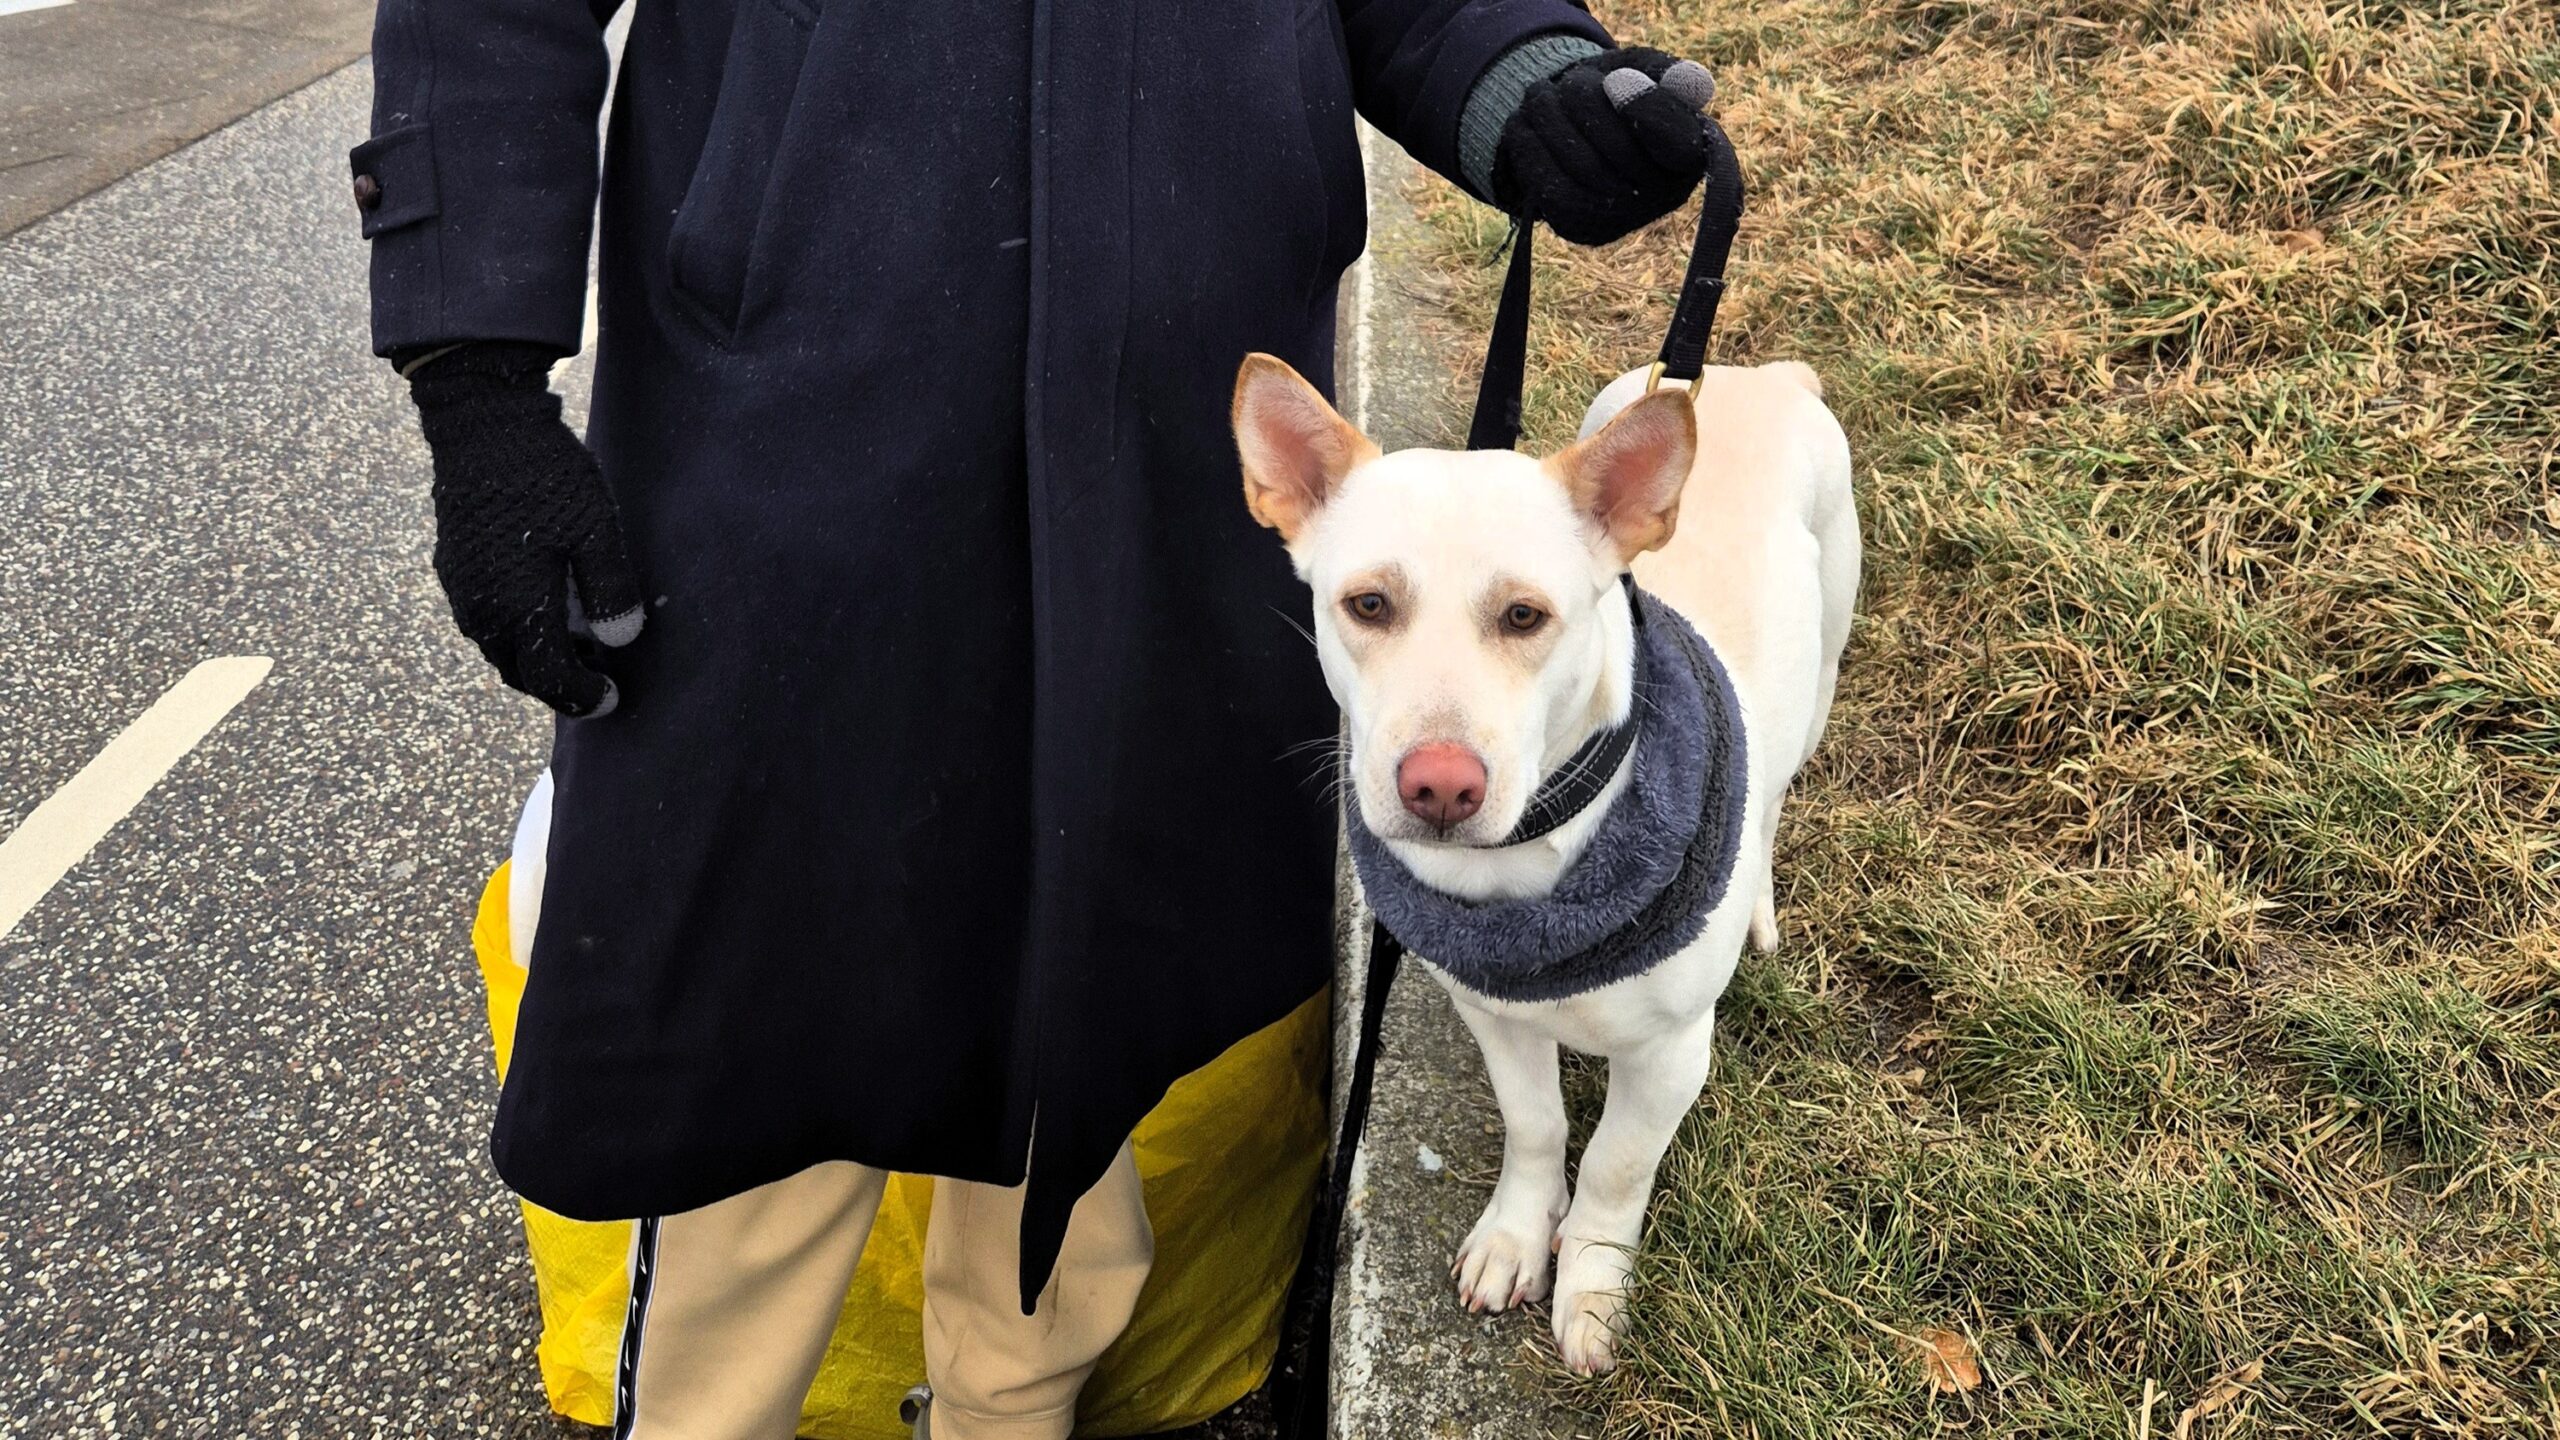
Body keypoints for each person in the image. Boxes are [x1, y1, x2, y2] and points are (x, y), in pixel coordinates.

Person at [349, 0, 1716, 1431]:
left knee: (1088, 971)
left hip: (1184, 397)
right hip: (793, 390)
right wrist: (477, 375)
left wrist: (1524, 75)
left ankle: (1011, 1411)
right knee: (766, 979)